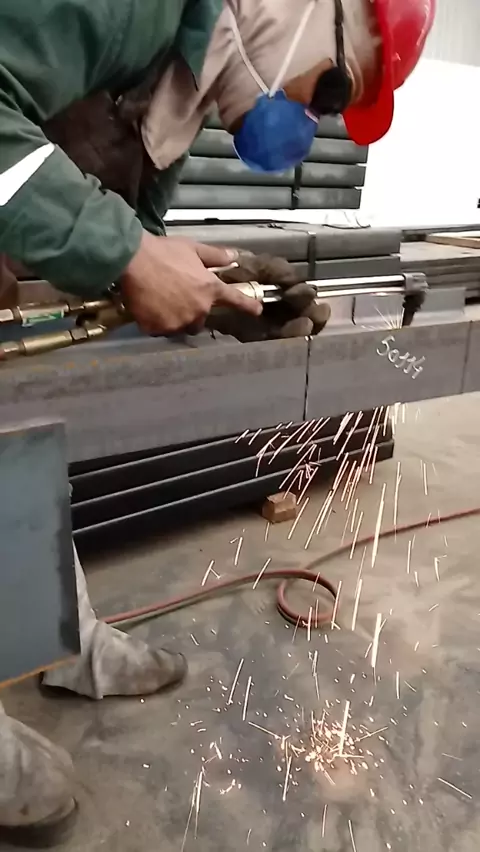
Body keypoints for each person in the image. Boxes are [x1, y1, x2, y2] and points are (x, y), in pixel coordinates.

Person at [0, 0, 435, 845]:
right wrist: (127, 256)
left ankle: (62, 645)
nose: (309, 120)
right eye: (331, 90)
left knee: (23, 436)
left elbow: (114, 229)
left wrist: (216, 296)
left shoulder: (182, 87)